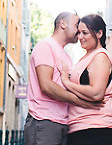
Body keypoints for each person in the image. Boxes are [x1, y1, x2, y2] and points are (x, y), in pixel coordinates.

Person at [25, 11, 100, 145]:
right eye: (77, 24)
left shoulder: (66, 56)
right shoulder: (45, 45)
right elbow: (46, 86)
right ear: (63, 24)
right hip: (44, 121)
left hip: (62, 123)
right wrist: (80, 102)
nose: (80, 29)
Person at [58, 14, 112, 145]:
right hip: (81, 128)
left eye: (85, 33)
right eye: (79, 32)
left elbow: (96, 93)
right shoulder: (86, 57)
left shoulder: (100, 56)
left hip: (96, 128)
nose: (80, 37)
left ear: (99, 33)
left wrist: (67, 83)